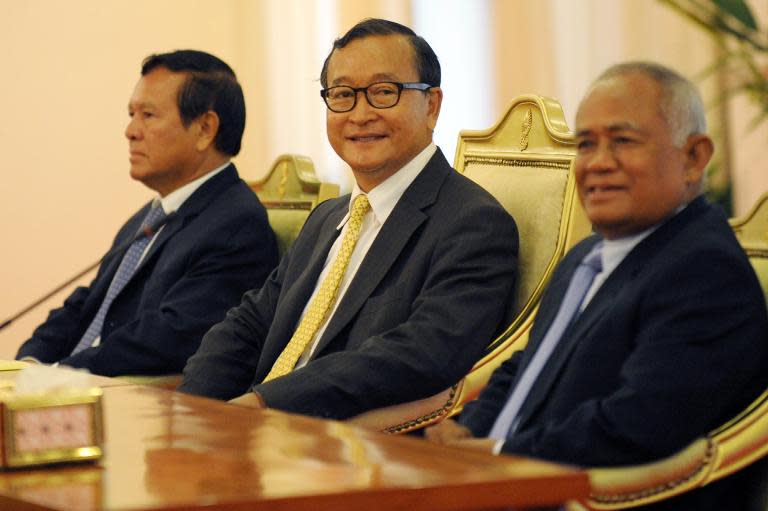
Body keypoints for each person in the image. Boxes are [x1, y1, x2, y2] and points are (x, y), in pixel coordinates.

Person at [424, 61, 768, 509]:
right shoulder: (586, 257)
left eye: (623, 141)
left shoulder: (703, 272)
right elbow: (528, 366)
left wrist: (495, 454)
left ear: (693, 157)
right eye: (586, 144)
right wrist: (468, 428)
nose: (599, 163)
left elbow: (635, 424)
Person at [179, 18, 518, 420]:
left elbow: (420, 355)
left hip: (353, 449)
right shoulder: (328, 217)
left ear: (432, 106)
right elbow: (250, 324)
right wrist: (191, 409)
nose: (359, 114)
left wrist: (265, 404)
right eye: (342, 95)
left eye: (383, 92)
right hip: (259, 432)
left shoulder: (473, 223)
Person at [16, 50, 278, 376]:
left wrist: (56, 375)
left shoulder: (236, 225)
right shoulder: (149, 217)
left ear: (205, 129)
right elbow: (85, 305)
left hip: (137, 405)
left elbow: (167, 340)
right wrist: (27, 365)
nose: (131, 130)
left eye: (148, 115)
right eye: (131, 114)